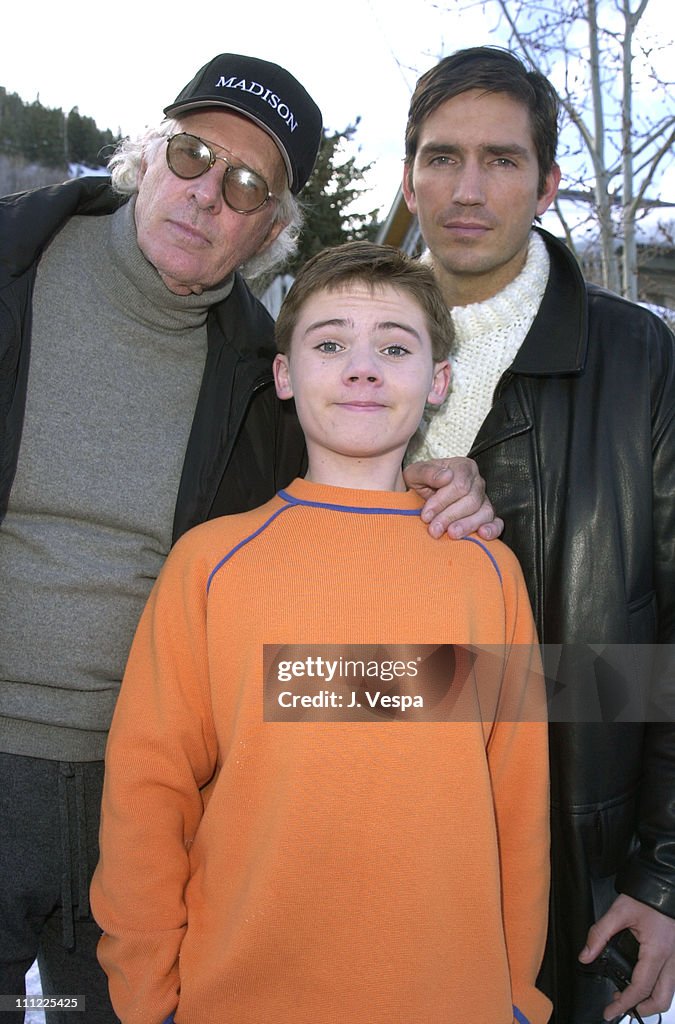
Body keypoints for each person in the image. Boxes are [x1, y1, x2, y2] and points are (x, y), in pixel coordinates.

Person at [0, 52, 498, 1022]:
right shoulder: (14, 267)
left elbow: (336, 509)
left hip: (141, 790)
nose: (203, 195)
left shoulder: (255, 368)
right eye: (191, 154)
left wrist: (440, 482)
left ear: (268, 229)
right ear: (148, 154)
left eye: (244, 186)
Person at [91, 240, 551, 1024]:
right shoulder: (210, 564)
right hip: (240, 997)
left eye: (395, 347)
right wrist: (146, 994)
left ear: (437, 381)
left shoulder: (486, 573)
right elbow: (148, 790)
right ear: (283, 374)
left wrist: (513, 993)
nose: (362, 368)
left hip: (450, 997)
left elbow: (517, 797)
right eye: (329, 342)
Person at [400, 44, 675, 1024]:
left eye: (502, 160)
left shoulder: (641, 359)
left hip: (570, 872)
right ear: (408, 173)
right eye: (441, 157)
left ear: (549, 182)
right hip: (364, 856)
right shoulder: (328, 346)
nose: (467, 190)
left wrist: (662, 874)